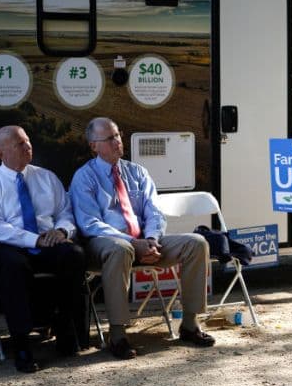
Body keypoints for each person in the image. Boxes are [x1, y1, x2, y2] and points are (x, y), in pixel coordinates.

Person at [69, 117, 214, 360]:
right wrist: (132, 243)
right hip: (105, 244)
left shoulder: (137, 172)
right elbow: (89, 224)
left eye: (118, 135)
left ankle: (190, 324)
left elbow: (154, 212)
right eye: (110, 138)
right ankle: (118, 335)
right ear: (94, 146)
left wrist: (152, 239)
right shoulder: (84, 177)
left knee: (196, 243)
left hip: (144, 242)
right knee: (120, 249)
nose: (117, 142)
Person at [0, 125, 88, 373]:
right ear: (1, 152)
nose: (28, 146)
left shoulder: (47, 177)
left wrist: (62, 231)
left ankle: (66, 327)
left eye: (27, 141)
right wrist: (33, 240)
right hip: (8, 245)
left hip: (48, 240)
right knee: (13, 266)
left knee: (74, 255)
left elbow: (65, 212)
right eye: (20, 144)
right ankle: (21, 343)